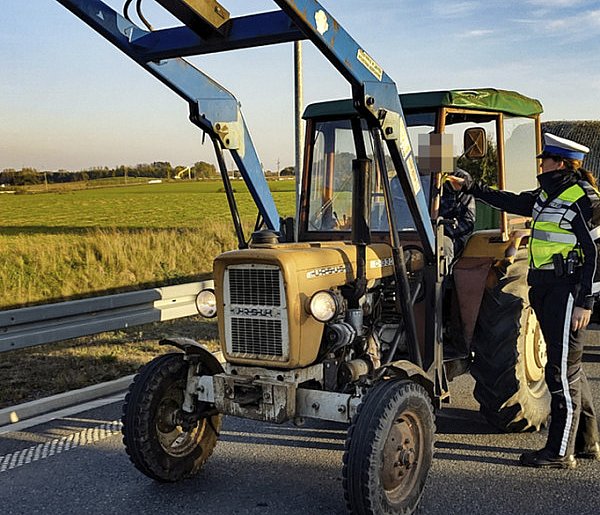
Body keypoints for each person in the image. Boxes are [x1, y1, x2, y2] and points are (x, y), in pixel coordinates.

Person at [448, 132, 600, 469]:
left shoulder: (583, 199)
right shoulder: (548, 195)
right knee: (569, 367)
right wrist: (473, 187)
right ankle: (588, 441)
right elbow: (512, 201)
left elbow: (596, 252)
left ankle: (560, 453)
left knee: (559, 373)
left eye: (544, 160)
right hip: (546, 288)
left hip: (567, 291)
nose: (540, 165)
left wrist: (585, 302)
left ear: (559, 163)